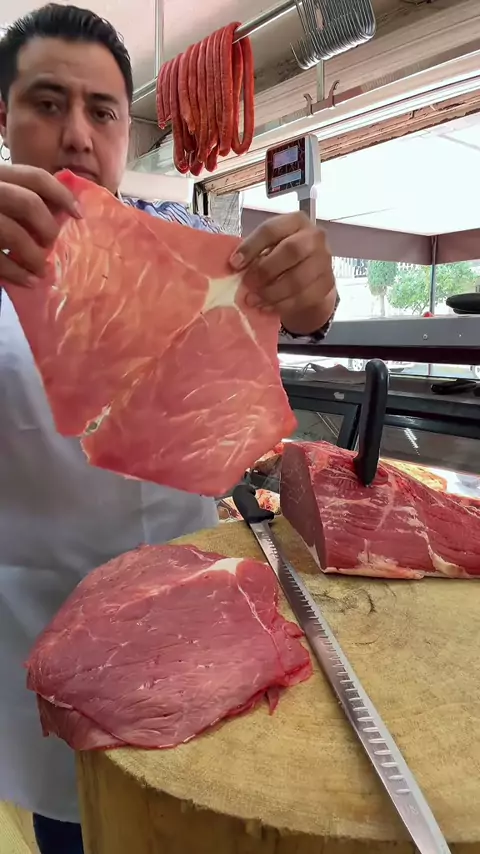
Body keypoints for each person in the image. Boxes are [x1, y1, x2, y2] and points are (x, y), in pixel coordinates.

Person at [0, 5, 338, 853]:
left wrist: (309, 300)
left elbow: (278, 322)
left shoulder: (190, 245)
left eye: (103, 111)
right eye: (47, 103)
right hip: (44, 640)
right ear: (3, 118)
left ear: (126, 129)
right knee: (78, 828)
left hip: (196, 629)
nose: (77, 134)